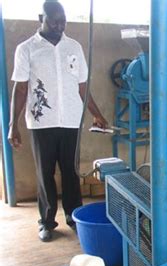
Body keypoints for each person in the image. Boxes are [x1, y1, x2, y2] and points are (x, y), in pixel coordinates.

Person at [8, 1, 108, 242]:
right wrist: (14, 124)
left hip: (71, 120)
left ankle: (74, 217)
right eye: (54, 20)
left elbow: (82, 87)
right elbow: (20, 89)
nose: (59, 25)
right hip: (42, 122)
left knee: (71, 172)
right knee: (45, 173)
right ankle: (46, 221)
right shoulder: (27, 49)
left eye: (63, 20)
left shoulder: (73, 47)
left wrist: (97, 113)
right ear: (41, 17)